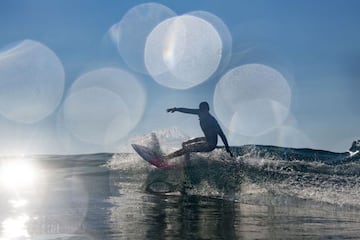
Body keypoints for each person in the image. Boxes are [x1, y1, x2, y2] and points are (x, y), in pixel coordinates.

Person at [162, 101, 233, 160]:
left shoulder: (212, 121)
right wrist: (176, 109)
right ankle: (186, 161)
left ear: (207, 110)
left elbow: (222, 135)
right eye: (200, 110)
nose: (201, 113)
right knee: (189, 143)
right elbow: (187, 110)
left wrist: (227, 148)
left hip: (211, 145)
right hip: (206, 140)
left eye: (203, 110)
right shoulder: (199, 112)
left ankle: (167, 158)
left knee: (187, 148)